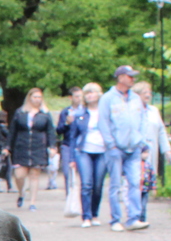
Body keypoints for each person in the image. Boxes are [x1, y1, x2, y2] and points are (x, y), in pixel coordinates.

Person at [100, 65, 149, 230]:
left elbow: (142, 120)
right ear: (120, 77)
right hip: (116, 148)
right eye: (130, 76)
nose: (133, 79)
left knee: (135, 183)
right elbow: (104, 122)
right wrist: (111, 144)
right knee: (115, 184)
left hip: (134, 147)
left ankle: (134, 218)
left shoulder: (136, 98)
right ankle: (115, 220)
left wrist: (141, 141)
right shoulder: (107, 98)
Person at [7, 88, 57, 211]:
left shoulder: (45, 114)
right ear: (29, 98)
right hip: (21, 147)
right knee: (19, 175)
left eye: (39, 97)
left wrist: (52, 146)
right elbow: (12, 131)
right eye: (35, 97)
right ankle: (21, 193)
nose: (37, 99)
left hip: (38, 147)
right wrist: (7, 146)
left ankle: (32, 202)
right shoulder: (20, 113)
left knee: (34, 175)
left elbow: (50, 131)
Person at [133, 80, 171, 225]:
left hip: (151, 152)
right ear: (137, 95)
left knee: (146, 185)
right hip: (136, 153)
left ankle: (141, 214)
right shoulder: (132, 111)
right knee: (135, 184)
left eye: (149, 92)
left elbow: (162, 131)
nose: (148, 95)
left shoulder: (154, 111)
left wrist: (167, 150)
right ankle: (135, 214)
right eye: (145, 93)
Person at [68, 82, 109, 227]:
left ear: (99, 94)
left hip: (102, 151)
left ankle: (94, 214)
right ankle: (86, 216)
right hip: (83, 151)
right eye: (87, 93)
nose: (90, 95)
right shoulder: (79, 114)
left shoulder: (105, 112)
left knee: (98, 185)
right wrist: (72, 158)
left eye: (93, 92)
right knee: (86, 184)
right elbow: (73, 137)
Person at [56, 87, 85, 201]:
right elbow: (59, 130)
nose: (79, 99)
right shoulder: (66, 112)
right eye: (76, 96)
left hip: (82, 145)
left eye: (80, 96)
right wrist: (67, 123)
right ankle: (70, 196)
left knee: (84, 173)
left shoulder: (85, 111)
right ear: (70, 98)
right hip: (67, 144)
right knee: (67, 172)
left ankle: (84, 196)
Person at [0, 110, 14, 193]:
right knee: (7, 167)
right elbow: (9, 135)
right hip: (2, 148)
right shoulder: (2, 127)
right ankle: (9, 186)